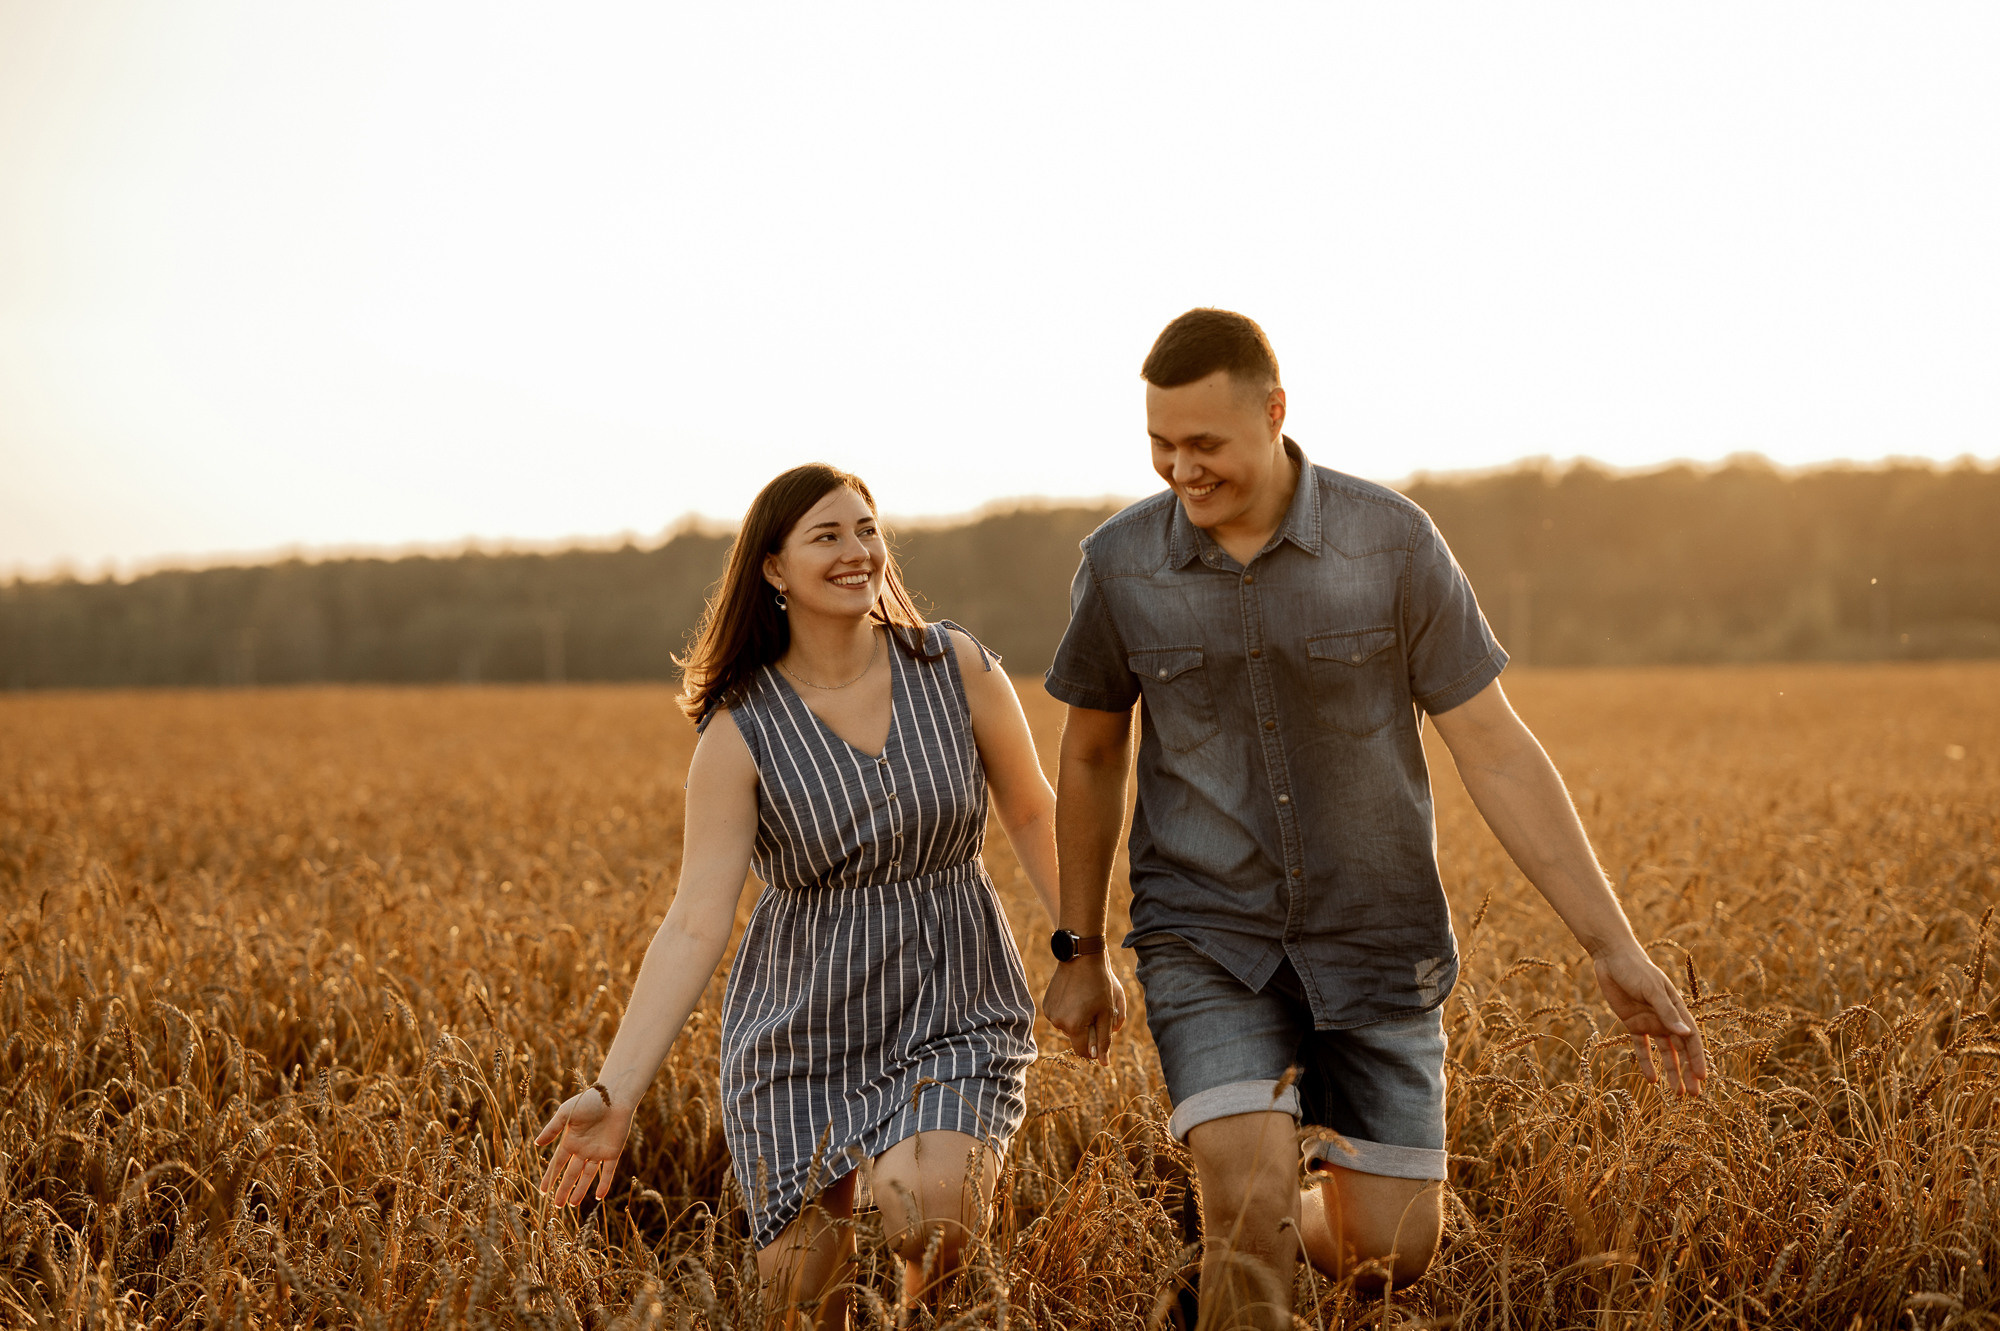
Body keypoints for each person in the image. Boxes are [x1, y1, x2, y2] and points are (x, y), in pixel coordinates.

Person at [1039, 309, 1709, 1320]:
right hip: (1204, 932)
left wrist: (1611, 947)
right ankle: (1238, 1243)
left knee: (1387, 1250)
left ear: (1273, 411)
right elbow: (1090, 752)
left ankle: (1244, 1243)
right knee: (1245, 1202)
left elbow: (1493, 745)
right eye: (1159, 444)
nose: (1181, 468)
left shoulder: (1389, 541)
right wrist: (1078, 947)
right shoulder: (1121, 563)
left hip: (1376, 934)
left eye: (1204, 442)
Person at [536, 464, 1058, 1329]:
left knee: (924, 1205)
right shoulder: (741, 729)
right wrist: (616, 1091)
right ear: (773, 568)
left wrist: (1081, 949)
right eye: (828, 535)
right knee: (799, 1307)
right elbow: (698, 919)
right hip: (802, 1031)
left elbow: (1034, 808)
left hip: (954, 998)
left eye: (867, 529)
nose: (858, 551)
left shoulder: (952, 662)